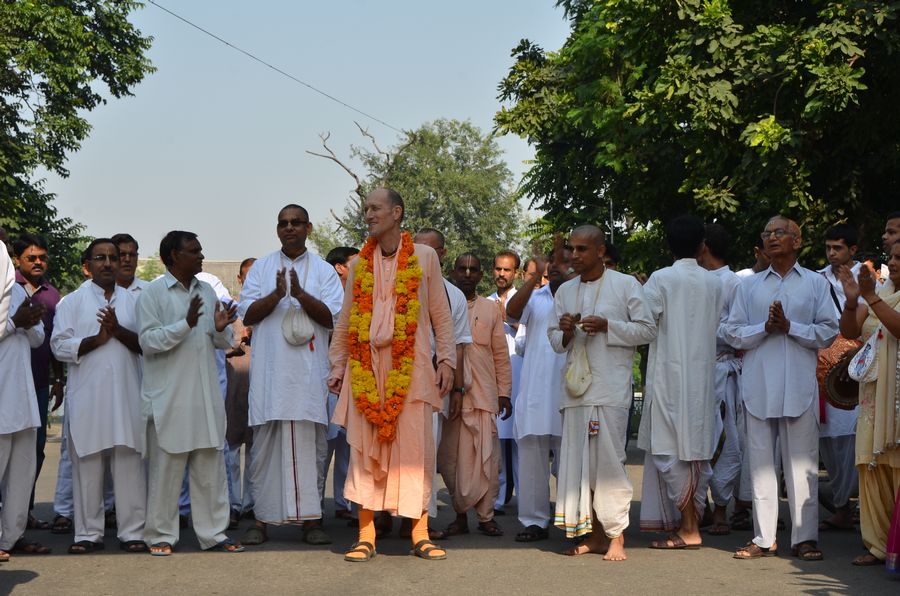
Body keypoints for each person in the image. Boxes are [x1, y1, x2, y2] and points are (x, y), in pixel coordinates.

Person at [328, 188, 455, 562]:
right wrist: (338, 365)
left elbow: (440, 315)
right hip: (366, 368)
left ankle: (420, 533)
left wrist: (445, 359)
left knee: (415, 450)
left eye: (375, 208)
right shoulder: (359, 265)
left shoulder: (425, 257)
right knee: (365, 450)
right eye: (365, 208)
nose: (368, 214)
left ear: (396, 212)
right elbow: (347, 317)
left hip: (411, 367)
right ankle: (366, 534)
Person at [726, 216, 838, 561]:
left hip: (799, 386)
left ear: (797, 241)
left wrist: (790, 327)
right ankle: (763, 538)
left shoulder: (816, 285)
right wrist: (765, 327)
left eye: (780, 232)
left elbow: (829, 331)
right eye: (767, 233)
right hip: (758, 384)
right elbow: (730, 331)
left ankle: (805, 538)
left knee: (802, 465)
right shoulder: (748, 286)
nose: (772, 238)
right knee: (760, 465)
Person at [238, 205, 343, 546]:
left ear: (309, 228)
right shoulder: (262, 268)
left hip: (309, 377)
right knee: (264, 450)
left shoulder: (324, 270)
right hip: (270, 376)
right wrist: (276, 294)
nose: (289, 228)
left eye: (296, 222)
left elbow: (332, 319)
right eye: (283, 223)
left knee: (313, 449)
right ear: (277, 229)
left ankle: (311, 522)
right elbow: (248, 315)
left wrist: (299, 294)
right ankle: (262, 520)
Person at [550, 225, 655, 561]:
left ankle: (616, 536)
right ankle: (593, 535)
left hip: (610, 389)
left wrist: (609, 326)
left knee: (609, 464)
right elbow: (554, 341)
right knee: (581, 465)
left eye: (582, 249)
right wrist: (566, 332)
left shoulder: (625, 285)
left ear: (600, 252)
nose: (575, 255)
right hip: (576, 391)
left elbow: (648, 329)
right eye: (572, 249)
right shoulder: (565, 290)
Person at [138, 230, 242, 556]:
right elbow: (149, 342)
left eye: (200, 250)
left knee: (210, 469)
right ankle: (160, 536)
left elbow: (217, 340)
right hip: (169, 398)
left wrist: (223, 328)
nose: (201, 255)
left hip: (205, 396)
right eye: (194, 251)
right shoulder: (153, 294)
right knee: (166, 471)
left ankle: (213, 534)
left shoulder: (207, 291)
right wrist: (184, 324)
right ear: (173, 256)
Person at [50, 239, 147, 554]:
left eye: (113, 258)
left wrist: (117, 332)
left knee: (130, 463)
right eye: (100, 258)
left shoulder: (137, 302)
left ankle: (132, 531)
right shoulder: (72, 302)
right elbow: (59, 346)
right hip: (88, 397)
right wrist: (97, 339)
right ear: (88, 264)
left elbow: (148, 344)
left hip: (128, 395)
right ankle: (88, 534)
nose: (108, 263)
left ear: (121, 263)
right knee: (88, 464)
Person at [638, 215, 722, 551]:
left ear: (668, 246)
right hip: (703, 377)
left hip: (668, 376)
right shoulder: (715, 282)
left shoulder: (660, 279)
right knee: (696, 452)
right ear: (702, 246)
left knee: (667, 451)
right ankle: (691, 520)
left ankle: (689, 526)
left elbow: (643, 326)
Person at [435, 253, 512, 538]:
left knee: (486, 459)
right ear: (453, 273)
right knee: (451, 458)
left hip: (483, 396)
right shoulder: (441, 304)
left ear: (481, 276)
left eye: (473, 269)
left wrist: (504, 392)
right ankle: (459, 515)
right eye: (462, 269)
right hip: (448, 395)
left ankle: (486, 516)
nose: (467, 274)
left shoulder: (491, 309)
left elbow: (501, 355)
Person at [837, 237, 900, 566]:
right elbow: (850, 330)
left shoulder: (879, 294)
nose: (896, 262)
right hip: (874, 396)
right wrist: (852, 302)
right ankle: (878, 545)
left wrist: (871, 296)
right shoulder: (884, 290)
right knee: (872, 466)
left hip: (898, 396)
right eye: (893, 256)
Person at [505, 241, 571, 542]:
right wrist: (534, 278)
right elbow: (511, 311)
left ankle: (574, 520)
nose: (556, 266)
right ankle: (534, 521)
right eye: (552, 262)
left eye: (562, 261)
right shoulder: (537, 297)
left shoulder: (582, 296)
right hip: (535, 392)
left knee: (571, 462)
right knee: (532, 459)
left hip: (571, 393)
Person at [413, 227, 472, 534]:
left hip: (435, 382)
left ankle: (418, 521)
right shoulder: (396, 281)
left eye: (430, 251)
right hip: (396, 380)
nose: (422, 255)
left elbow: (460, 344)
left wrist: (459, 388)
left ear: (441, 255)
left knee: (426, 451)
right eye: (417, 248)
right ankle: (381, 517)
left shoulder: (453, 294)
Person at [698, 223, 748, 535]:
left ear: (703, 247)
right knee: (697, 441)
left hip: (724, 372)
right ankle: (698, 506)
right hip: (696, 372)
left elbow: (736, 330)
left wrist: (699, 332)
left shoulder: (733, 283)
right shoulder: (696, 280)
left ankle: (720, 509)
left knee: (726, 439)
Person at [13, 233, 64, 530]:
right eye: (31, 257)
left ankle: (24, 511)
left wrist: (58, 380)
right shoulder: (9, 288)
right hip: (9, 383)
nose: (38, 262)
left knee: (36, 446)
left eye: (42, 257)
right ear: (18, 260)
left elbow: (55, 341)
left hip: (39, 382)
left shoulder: (51, 294)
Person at [0, 274, 48, 559]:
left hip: (23, 397)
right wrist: (15, 322)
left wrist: (29, 322)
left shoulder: (17, 291)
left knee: (22, 474)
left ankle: (11, 538)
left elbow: (38, 338)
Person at [817, 224, 862, 531]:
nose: (832, 253)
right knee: (828, 440)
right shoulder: (816, 279)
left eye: (838, 248)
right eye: (829, 248)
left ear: (853, 250)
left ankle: (849, 504)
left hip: (857, 365)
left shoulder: (872, 277)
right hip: (823, 367)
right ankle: (842, 505)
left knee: (852, 438)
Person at [323, 247, 359, 521]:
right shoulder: (326, 294)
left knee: (349, 443)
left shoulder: (363, 294)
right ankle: (314, 506)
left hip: (356, 378)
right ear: (340, 268)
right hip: (327, 378)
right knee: (324, 445)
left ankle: (344, 503)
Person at [488, 250, 522, 513]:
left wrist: (508, 318)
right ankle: (498, 498)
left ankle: (525, 498)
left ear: (516, 274)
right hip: (495, 379)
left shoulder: (525, 301)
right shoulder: (485, 302)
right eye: (498, 269)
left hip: (522, 377)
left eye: (507, 270)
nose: (502, 274)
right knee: (498, 443)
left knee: (522, 443)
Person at [224, 257, 256, 526]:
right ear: (240, 279)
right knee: (231, 449)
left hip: (260, 388)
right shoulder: (229, 310)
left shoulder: (269, 310)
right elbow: (215, 343)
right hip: (234, 384)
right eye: (249, 276)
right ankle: (232, 503)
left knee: (257, 450)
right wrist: (239, 338)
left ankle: (253, 504)